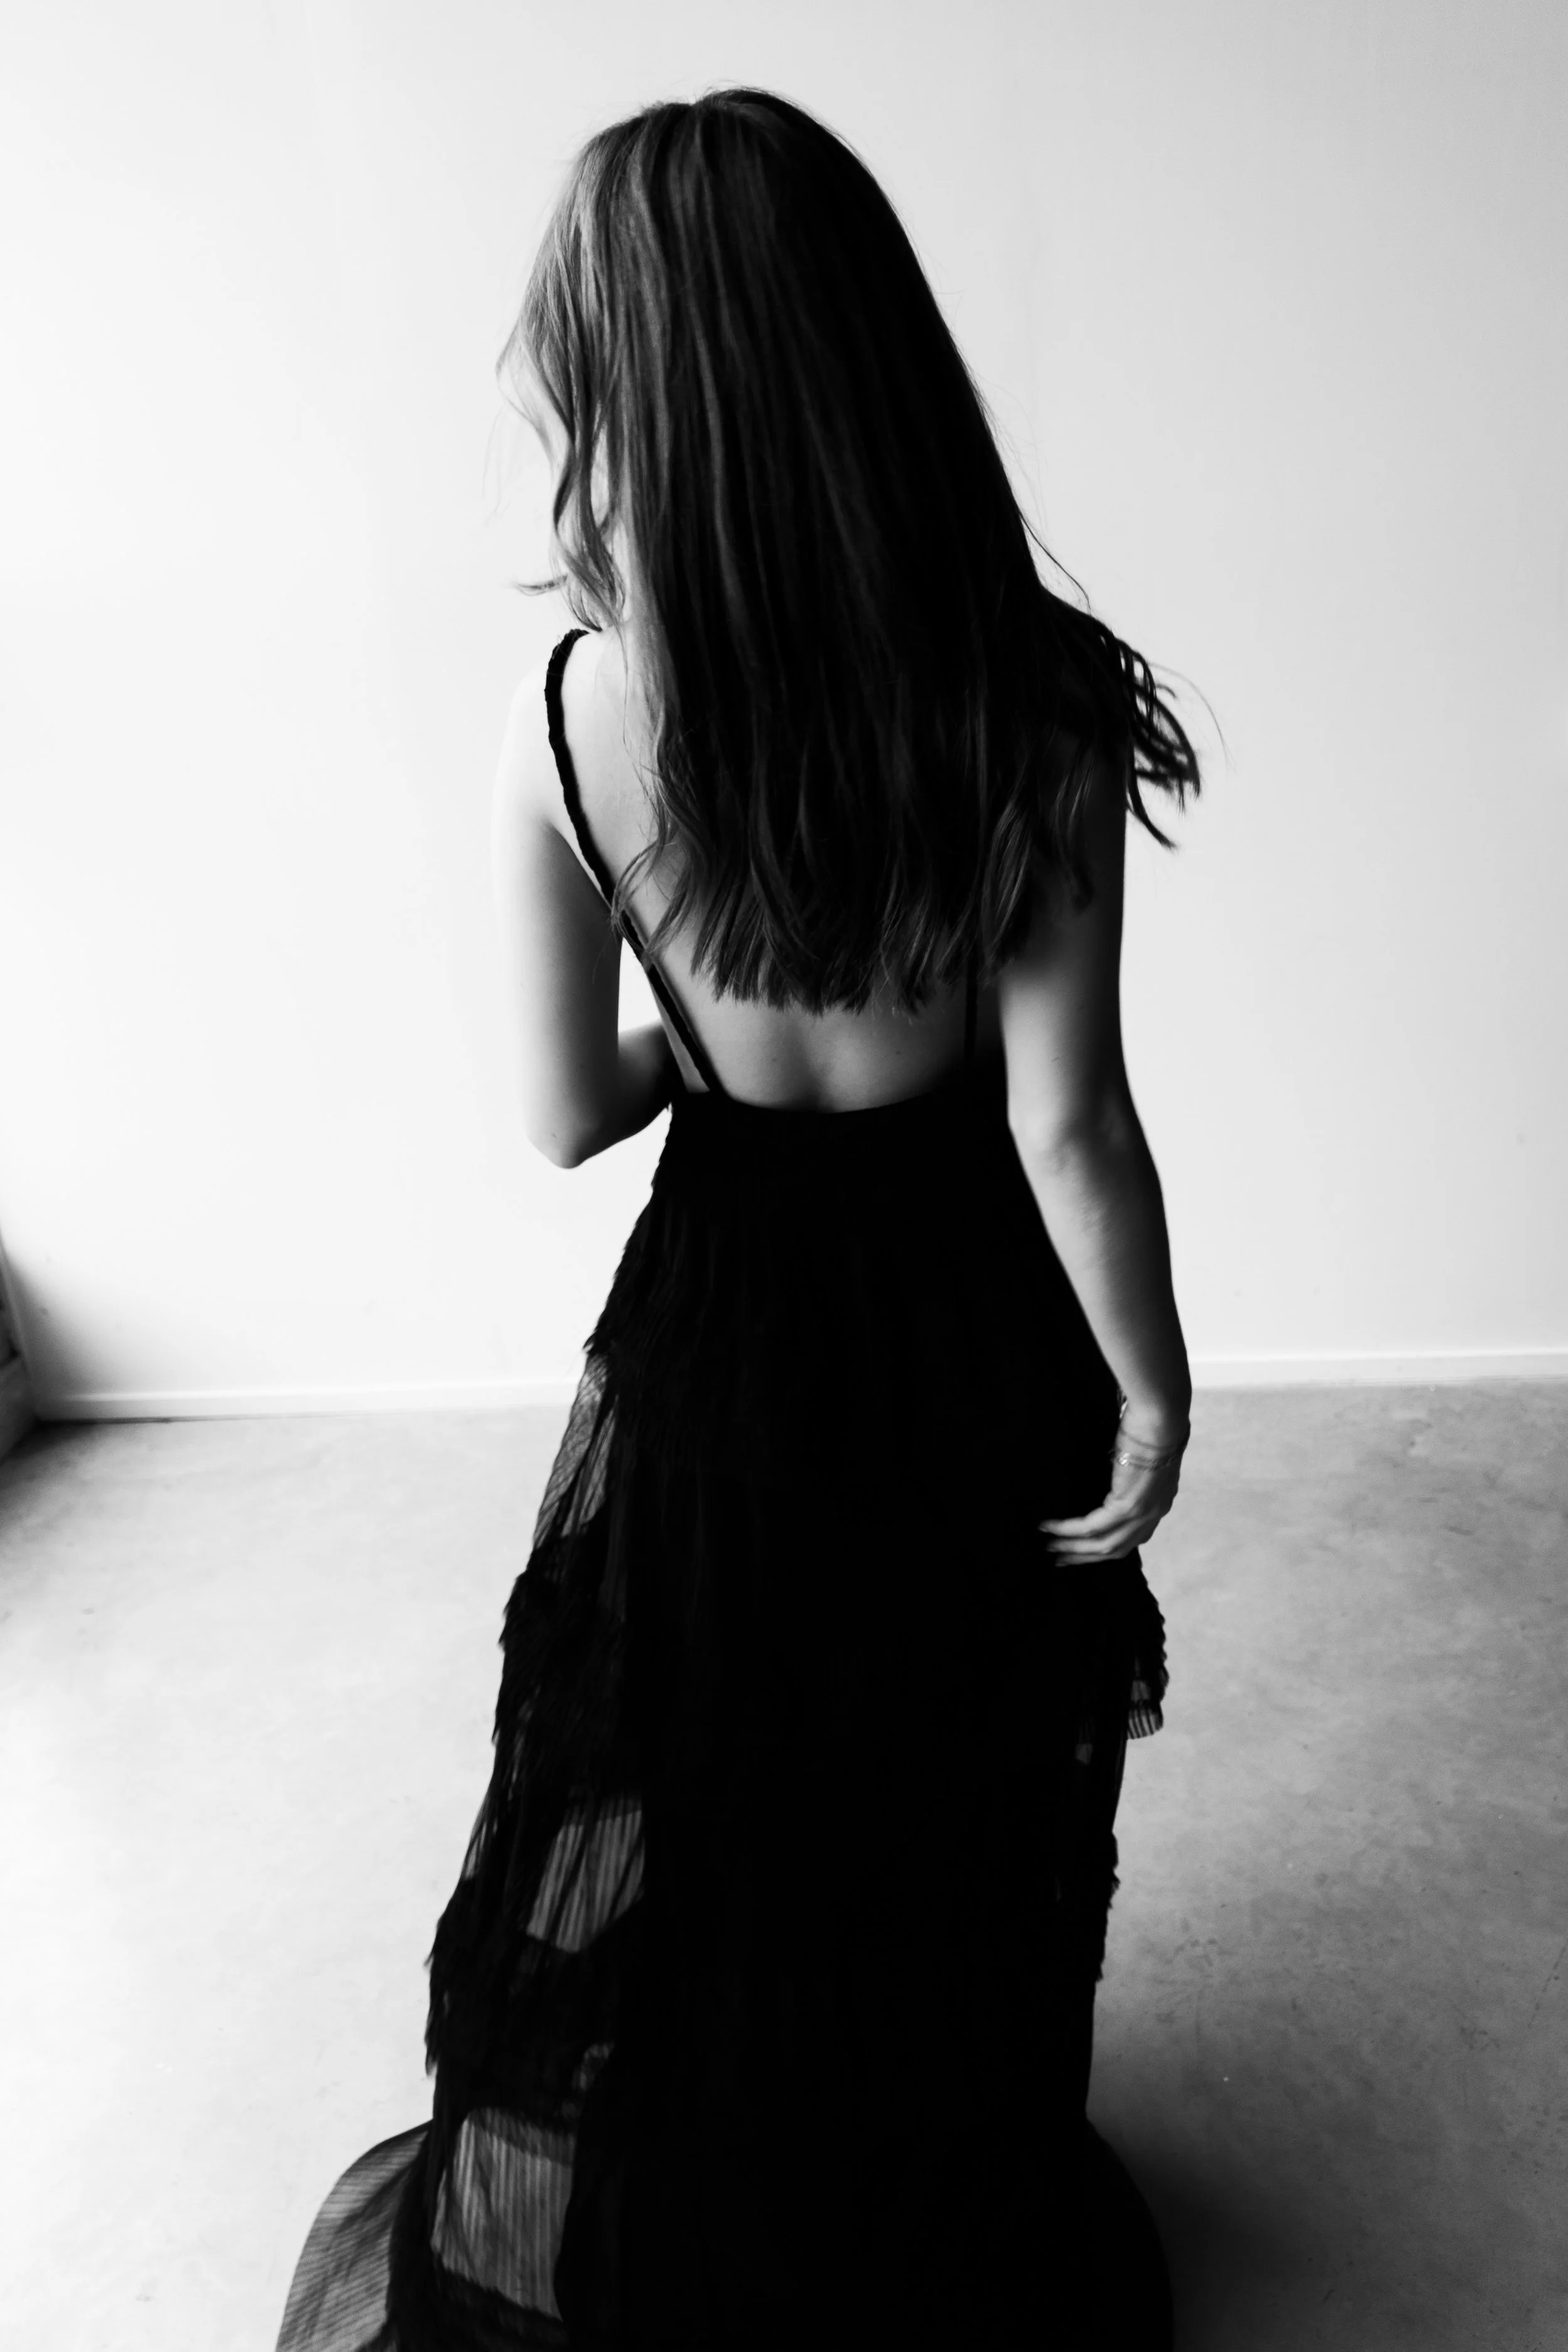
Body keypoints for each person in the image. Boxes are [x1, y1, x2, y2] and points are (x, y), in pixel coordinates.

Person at [277, 84, 1199, 2352]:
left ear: (625, 403)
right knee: (935, 1764)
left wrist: (705, 1033)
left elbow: (559, 1115)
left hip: (727, 1322)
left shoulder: (577, 714)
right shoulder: (1026, 706)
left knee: (702, 1763)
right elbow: (1069, 1124)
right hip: (967, 1317)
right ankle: (910, 2193)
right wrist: (1154, 1384)